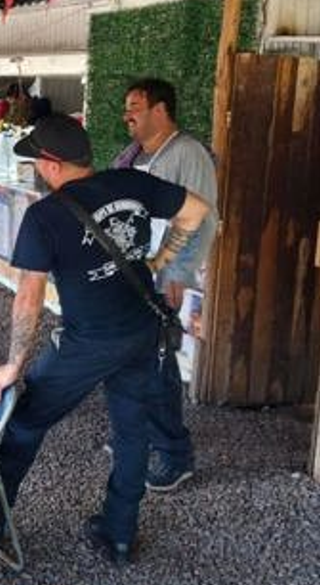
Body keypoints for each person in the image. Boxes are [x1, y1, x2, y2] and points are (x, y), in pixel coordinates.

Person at [0, 113, 210, 565]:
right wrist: (159, 261)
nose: (36, 170)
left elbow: (28, 300)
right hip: (141, 331)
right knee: (132, 434)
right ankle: (118, 534)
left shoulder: (44, 216)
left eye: (36, 162)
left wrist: (15, 364)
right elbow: (196, 210)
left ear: (51, 165)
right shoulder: (131, 182)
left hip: (86, 342)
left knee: (26, 421)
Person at [112, 77, 219, 491]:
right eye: (126, 105)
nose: (127, 114)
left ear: (160, 110)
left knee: (157, 366)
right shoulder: (134, 155)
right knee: (129, 358)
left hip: (161, 278)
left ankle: (175, 455)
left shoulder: (187, 153)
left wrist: (174, 272)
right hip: (132, 274)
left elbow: (201, 218)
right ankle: (136, 435)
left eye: (135, 104)